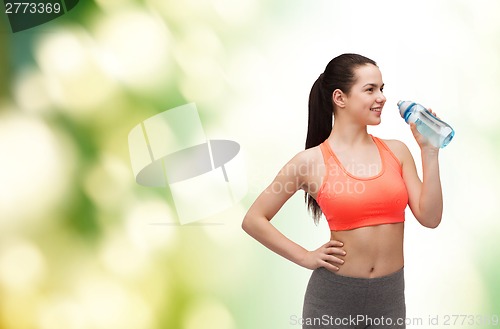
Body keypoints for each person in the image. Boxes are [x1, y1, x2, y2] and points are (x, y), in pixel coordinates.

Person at [241, 53, 443, 329]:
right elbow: (254, 219)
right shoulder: (309, 162)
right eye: (370, 89)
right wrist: (305, 256)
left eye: (382, 88)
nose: (381, 97)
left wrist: (429, 150)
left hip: (390, 299)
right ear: (340, 98)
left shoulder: (397, 151)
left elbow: (430, 218)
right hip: (333, 300)